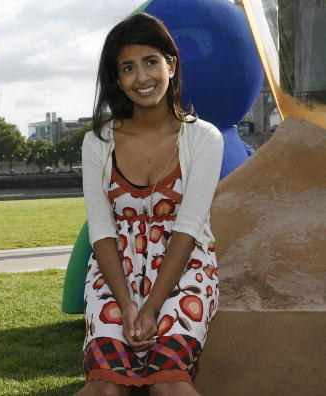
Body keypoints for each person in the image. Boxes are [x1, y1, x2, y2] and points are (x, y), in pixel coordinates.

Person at [77, 13, 223, 396]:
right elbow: (102, 229)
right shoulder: (98, 142)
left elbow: (188, 230)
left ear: (171, 65)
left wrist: (152, 307)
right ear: (116, 79)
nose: (141, 78)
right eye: (127, 68)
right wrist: (126, 305)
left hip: (184, 270)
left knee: (168, 384)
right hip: (114, 275)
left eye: (150, 62)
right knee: (105, 388)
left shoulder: (203, 138)